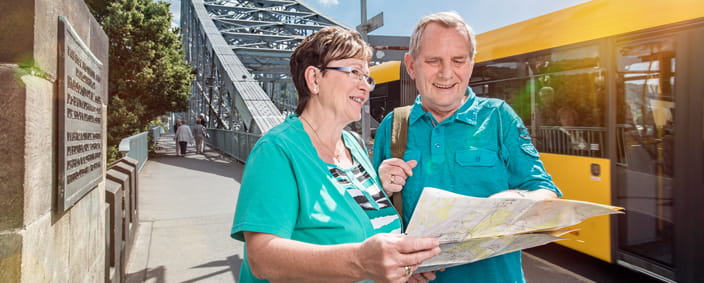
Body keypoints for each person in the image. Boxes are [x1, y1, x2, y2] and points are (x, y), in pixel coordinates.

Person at [230, 26, 440, 283]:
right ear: (314, 79)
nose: (366, 87)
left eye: (367, 77)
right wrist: (362, 263)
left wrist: (400, 267)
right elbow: (262, 258)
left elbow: (367, 230)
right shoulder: (277, 150)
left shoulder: (353, 144)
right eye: (354, 72)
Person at [372, 12, 562, 283]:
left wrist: (518, 201)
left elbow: (546, 192)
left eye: (458, 61)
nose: (446, 73)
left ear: (471, 64)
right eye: (433, 60)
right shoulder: (393, 127)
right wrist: (382, 190)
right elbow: (371, 221)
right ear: (411, 65)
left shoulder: (500, 118)